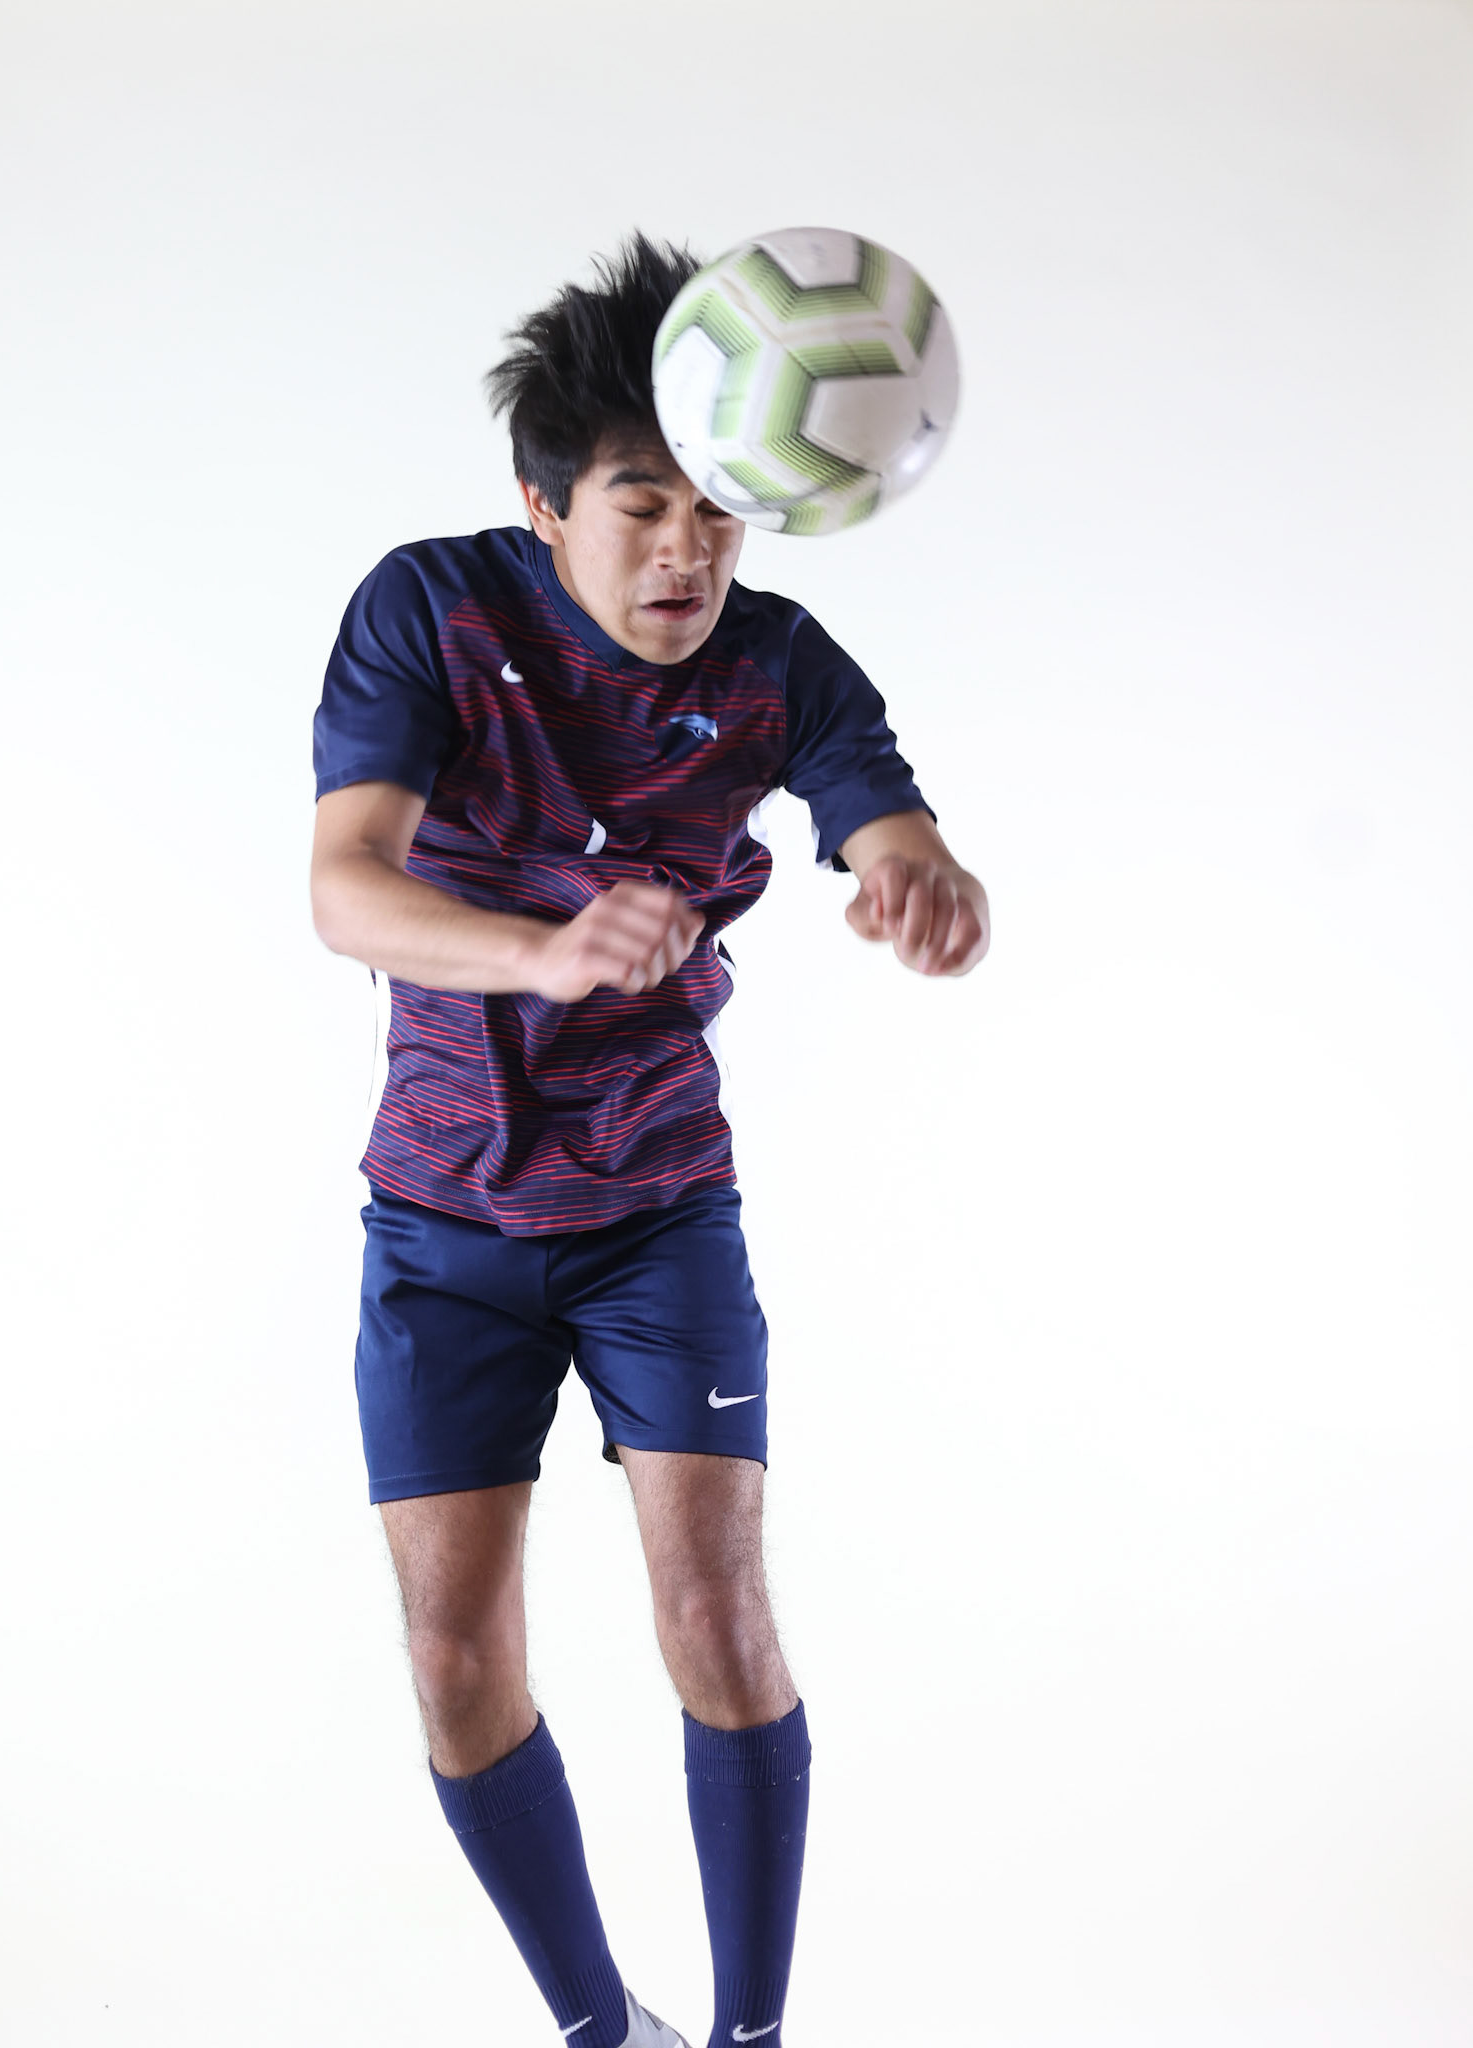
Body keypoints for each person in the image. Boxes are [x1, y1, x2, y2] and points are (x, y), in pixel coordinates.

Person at [309, 232, 989, 2048]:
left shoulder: (777, 663)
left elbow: (885, 817)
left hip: (657, 1213)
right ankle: (602, 2032)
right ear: (545, 506)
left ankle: (751, 2037)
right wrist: (540, 950)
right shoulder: (431, 609)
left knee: (716, 1615)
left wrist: (921, 879)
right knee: (456, 1663)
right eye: (641, 505)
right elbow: (344, 887)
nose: (687, 549)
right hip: (440, 1224)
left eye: (717, 508)